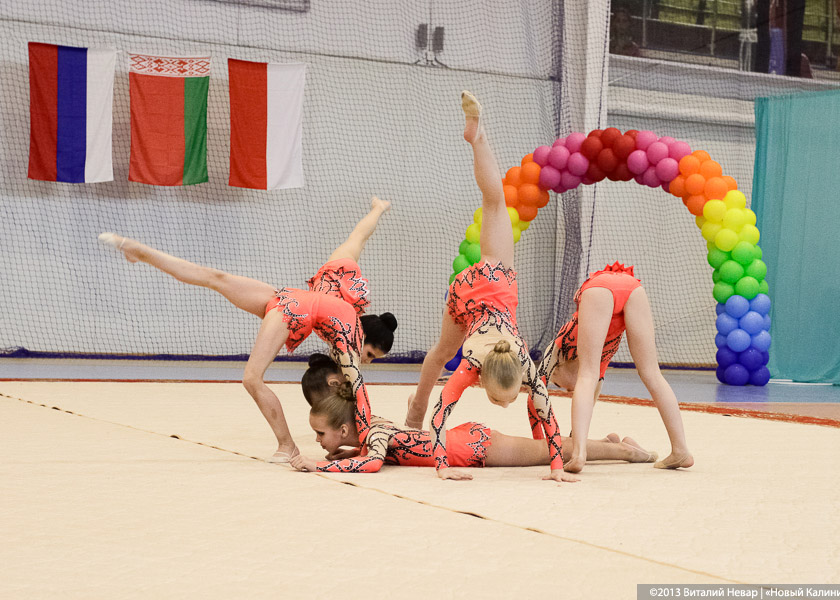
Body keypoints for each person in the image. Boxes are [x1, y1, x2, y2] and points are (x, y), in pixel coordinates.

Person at [98, 197, 395, 463]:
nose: (366, 360)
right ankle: (287, 446)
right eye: (370, 353)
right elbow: (359, 392)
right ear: (363, 337)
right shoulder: (348, 340)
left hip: (287, 298)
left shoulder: (337, 277)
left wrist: (377, 211)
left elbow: (359, 234)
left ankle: (139, 251)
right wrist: (367, 441)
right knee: (252, 378)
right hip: (290, 309)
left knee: (216, 278)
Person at [404, 91, 575, 483]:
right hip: (473, 295)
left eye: (506, 397)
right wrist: (443, 467)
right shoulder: (473, 367)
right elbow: (446, 409)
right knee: (495, 203)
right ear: (481, 379)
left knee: (495, 203)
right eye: (500, 399)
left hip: (487, 286)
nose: (502, 405)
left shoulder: (522, 368)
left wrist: (555, 466)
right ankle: (477, 136)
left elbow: (542, 412)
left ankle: (478, 136)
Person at [290, 378, 657, 473]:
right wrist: (345, 450)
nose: (318, 440)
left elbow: (372, 462)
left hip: (473, 448)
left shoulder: (376, 434)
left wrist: (325, 464)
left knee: (549, 451)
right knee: (547, 449)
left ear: (342, 428)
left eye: (321, 433)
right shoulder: (373, 429)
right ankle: (607, 441)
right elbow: (372, 453)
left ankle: (624, 450)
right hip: (464, 441)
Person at [536, 262, 693, 472]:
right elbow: (588, 405)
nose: (565, 389)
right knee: (652, 374)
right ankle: (680, 450)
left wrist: (539, 441)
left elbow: (534, 395)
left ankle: (578, 455)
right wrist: (574, 437)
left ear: (559, 368)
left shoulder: (557, 347)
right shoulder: (600, 364)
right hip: (632, 288)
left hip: (598, 288)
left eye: (558, 384)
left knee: (586, 375)